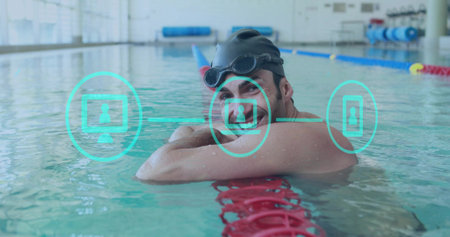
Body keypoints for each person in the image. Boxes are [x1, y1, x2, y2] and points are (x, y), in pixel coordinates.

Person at [136, 29, 357, 181]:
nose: (239, 110)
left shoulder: (290, 136)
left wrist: (216, 137)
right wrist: (214, 135)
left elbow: (154, 170)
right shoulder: (296, 122)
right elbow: (188, 129)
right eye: (226, 97)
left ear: (285, 89)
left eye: (251, 88)